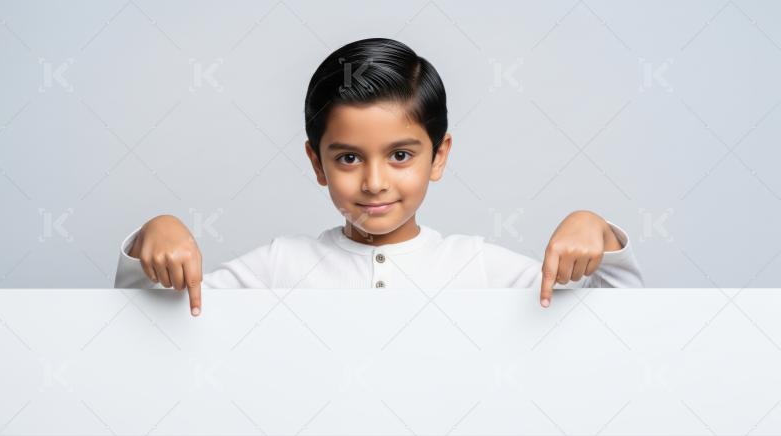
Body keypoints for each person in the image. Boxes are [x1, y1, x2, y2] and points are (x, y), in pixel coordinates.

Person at [114, 37, 644, 317]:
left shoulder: (476, 267)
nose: (373, 182)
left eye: (400, 155)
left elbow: (628, 320)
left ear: (439, 156)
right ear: (317, 163)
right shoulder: (281, 265)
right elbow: (151, 324)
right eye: (348, 158)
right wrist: (151, 238)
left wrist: (597, 231)